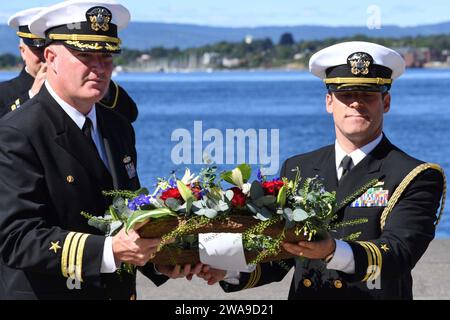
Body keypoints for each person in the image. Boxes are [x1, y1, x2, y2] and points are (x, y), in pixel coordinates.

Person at [199, 41, 446, 299]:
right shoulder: (298, 168)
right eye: (346, 94)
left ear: (386, 102)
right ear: (329, 102)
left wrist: (331, 251)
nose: (356, 104)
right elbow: (279, 257)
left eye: (367, 95)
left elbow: (398, 255)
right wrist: (226, 270)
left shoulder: (415, 175)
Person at [0, 0, 183, 300]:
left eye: (106, 56)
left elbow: (128, 211)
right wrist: (109, 250)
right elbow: (17, 239)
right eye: (85, 55)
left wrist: (162, 258)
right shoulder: (17, 132)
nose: (99, 67)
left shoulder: (118, 128)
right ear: (51, 57)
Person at [0, 7, 138, 122]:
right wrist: (31, 97)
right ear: (23, 52)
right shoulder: (4, 93)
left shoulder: (85, 85)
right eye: (38, 50)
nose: (45, 57)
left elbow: (128, 114)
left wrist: (95, 81)